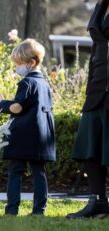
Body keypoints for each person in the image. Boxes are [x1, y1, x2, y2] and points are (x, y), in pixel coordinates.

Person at [0, 39, 56, 216]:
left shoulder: (26, 83)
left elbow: (17, 107)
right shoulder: (45, 84)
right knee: (39, 172)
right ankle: (39, 210)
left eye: (19, 64)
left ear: (31, 63)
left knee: (15, 171)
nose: (17, 68)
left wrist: (2, 104)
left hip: (24, 135)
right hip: (42, 137)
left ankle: (11, 210)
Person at [67, 0, 109, 219]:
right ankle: (97, 202)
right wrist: (89, 88)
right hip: (97, 88)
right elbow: (96, 50)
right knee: (90, 147)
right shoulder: (100, 8)